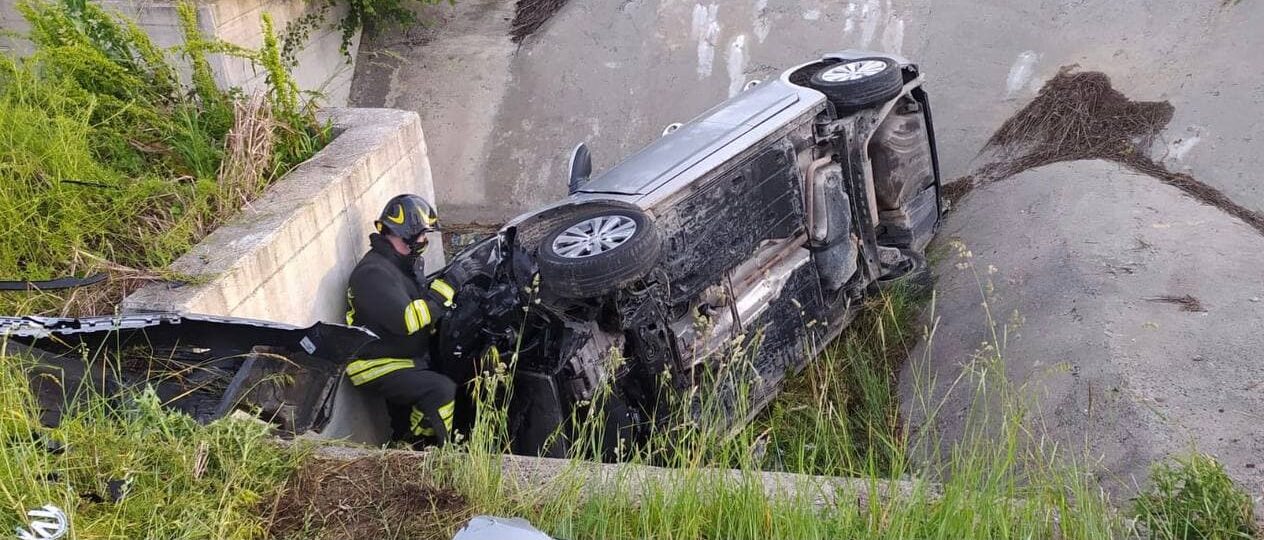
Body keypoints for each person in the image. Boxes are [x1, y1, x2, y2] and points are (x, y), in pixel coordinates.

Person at [344, 194, 459, 446]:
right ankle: (419, 447)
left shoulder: (400, 264)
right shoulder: (372, 273)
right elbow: (406, 320)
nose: (425, 241)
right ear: (406, 234)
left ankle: (404, 438)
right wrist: (446, 290)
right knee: (440, 389)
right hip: (377, 363)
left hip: (404, 355)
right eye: (422, 234)